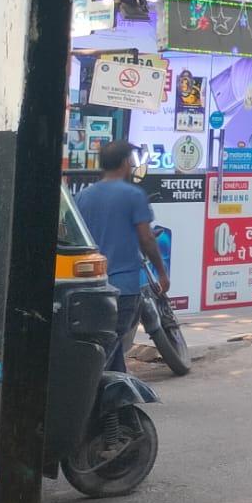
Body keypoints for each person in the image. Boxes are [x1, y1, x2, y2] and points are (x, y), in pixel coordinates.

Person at [75, 140, 171, 372]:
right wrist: (162, 273)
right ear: (125, 162)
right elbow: (146, 239)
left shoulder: (83, 197)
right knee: (110, 346)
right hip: (123, 287)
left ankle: (117, 398)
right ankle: (95, 398)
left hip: (92, 287)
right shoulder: (133, 195)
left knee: (109, 344)